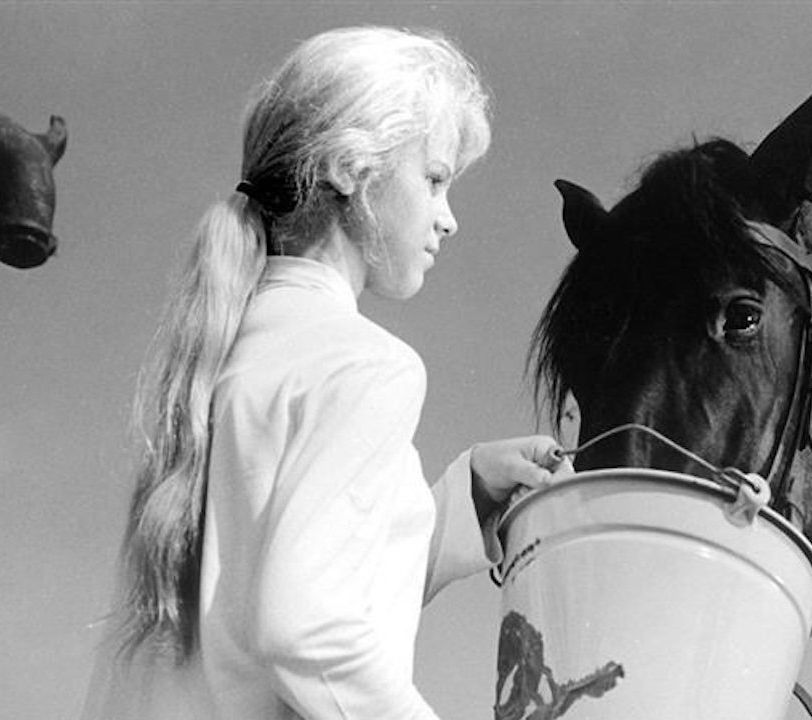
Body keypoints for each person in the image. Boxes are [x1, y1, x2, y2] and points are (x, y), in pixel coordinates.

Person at [80, 26, 570, 720]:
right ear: (348, 167)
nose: (448, 219)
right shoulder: (365, 366)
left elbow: (277, 594)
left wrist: (466, 497)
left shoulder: (223, 352)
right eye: (434, 179)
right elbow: (306, 629)